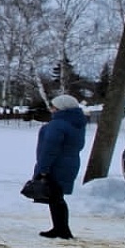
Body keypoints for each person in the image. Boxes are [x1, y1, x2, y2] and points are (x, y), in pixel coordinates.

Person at [34, 94, 87, 240]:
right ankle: (59, 228)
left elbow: (49, 149)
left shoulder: (57, 125)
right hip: (70, 162)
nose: (51, 109)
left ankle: (62, 230)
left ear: (61, 108)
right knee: (56, 197)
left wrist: (43, 169)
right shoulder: (77, 123)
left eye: (54, 107)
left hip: (56, 165)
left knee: (55, 198)